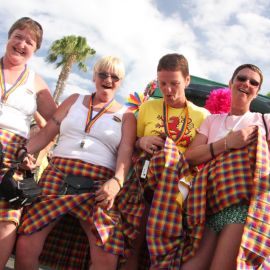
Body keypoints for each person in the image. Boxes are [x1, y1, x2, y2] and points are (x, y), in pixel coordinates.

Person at [15, 55, 140, 270]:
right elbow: (46, 134)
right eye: (103, 74)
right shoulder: (73, 100)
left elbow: (126, 153)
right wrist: (23, 153)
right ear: (94, 76)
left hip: (98, 185)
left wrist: (117, 182)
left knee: (107, 256)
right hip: (58, 174)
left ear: (121, 81)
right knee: (26, 243)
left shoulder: (127, 116)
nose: (108, 79)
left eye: (115, 76)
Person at [122, 53, 209, 270]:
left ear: (187, 80)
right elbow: (129, 143)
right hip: (145, 181)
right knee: (134, 240)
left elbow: (200, 157)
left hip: (179, 188)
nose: (168, 90)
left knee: (165, 246)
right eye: (163, 83)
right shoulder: (147, 108)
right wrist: (141, 141)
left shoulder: (203, 115)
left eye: (174, 83)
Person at [181, 64, 270, 270]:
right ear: (230, 83)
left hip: (242, 206)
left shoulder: (264, 121)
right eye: (241, 78)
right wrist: (228, 143)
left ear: (257, 92)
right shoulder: (212, 121)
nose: (246, 84)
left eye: (253, 82)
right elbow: (190, 156)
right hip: (205, 207)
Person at [0, 17, 57, 268]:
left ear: (35, 50)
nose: (22, 43)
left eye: (30, 41)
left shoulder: (35, 81)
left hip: (13, 153)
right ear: (9, 37)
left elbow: (56, 123)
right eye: (18, 36)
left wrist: (36, 152)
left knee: (7, 218)